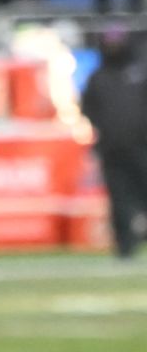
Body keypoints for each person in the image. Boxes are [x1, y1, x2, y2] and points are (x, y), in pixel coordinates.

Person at [81, 26, 147, 259]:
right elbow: (87, 109)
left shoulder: (139, 72)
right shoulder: (98, 77)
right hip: (112, 148)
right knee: (118, 198)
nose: (113, 47)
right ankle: (125, 246)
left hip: (142, 146)